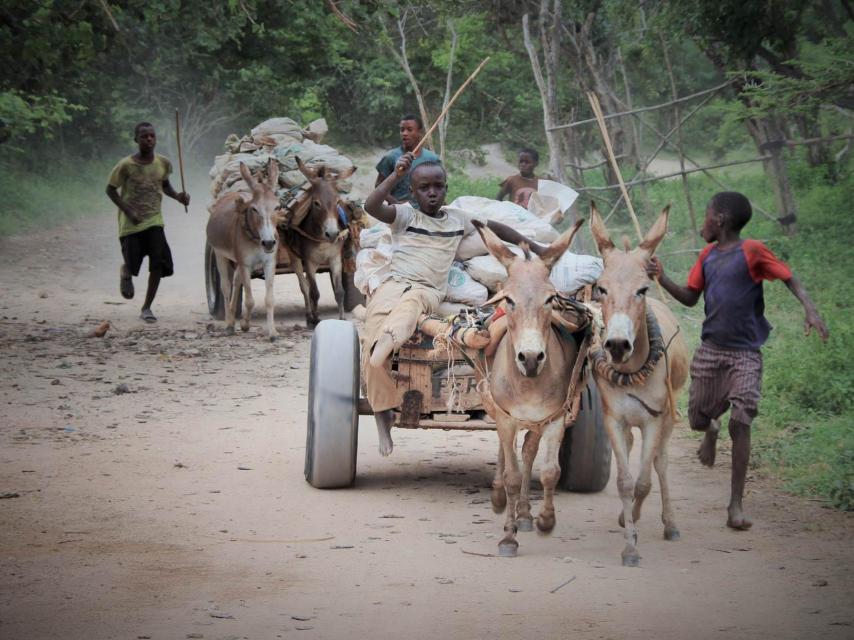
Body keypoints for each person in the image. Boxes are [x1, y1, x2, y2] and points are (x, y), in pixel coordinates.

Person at [647, 191, 828, 531]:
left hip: (745, 353)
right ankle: (710, 430)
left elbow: (789, 277)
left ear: (720, 220)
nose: (703, 222)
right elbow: (689, 298)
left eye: (706, 215)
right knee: (699, 418)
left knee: (741, 421)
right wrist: (661, 276)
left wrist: (811, 309)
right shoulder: (706, 256)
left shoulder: (752, 252)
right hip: (711, 350)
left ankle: (735, 504)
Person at [364, 153, 546, 456]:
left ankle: (389, 340)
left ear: (446, 189)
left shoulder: (456, 219)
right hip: (393, 285)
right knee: (371, 341)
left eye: (438, 186)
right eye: (424, 187)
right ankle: (382, 411)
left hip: (427, 291)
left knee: (413, 305)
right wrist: (395, 175)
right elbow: (371, 207)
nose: (432, 193)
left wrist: (536, 247)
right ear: (412, 191)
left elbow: (496, 229)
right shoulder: (405, 216)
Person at [106, 122, 190, 323]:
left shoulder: (163, 163)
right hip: (131, 223)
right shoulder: (126, 165)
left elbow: (165, 185)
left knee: (158, 263)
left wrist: (178, 196)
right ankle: (125, 271)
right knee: (132, 264)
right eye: (144, 136)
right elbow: (110, 189)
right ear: (136, 140)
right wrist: (128, 210)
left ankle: (147, 307)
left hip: (154, 220)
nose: (149, 139)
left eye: (152, 136)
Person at [374, 114, 440, 206]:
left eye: (409, 130)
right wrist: (396, 203)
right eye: (402, 130)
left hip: (426, 212)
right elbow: (378, 185)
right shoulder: (391, 157)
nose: (404, 133)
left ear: (419, 132)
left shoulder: (432, 159)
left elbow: (439, 187)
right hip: (398, 214)